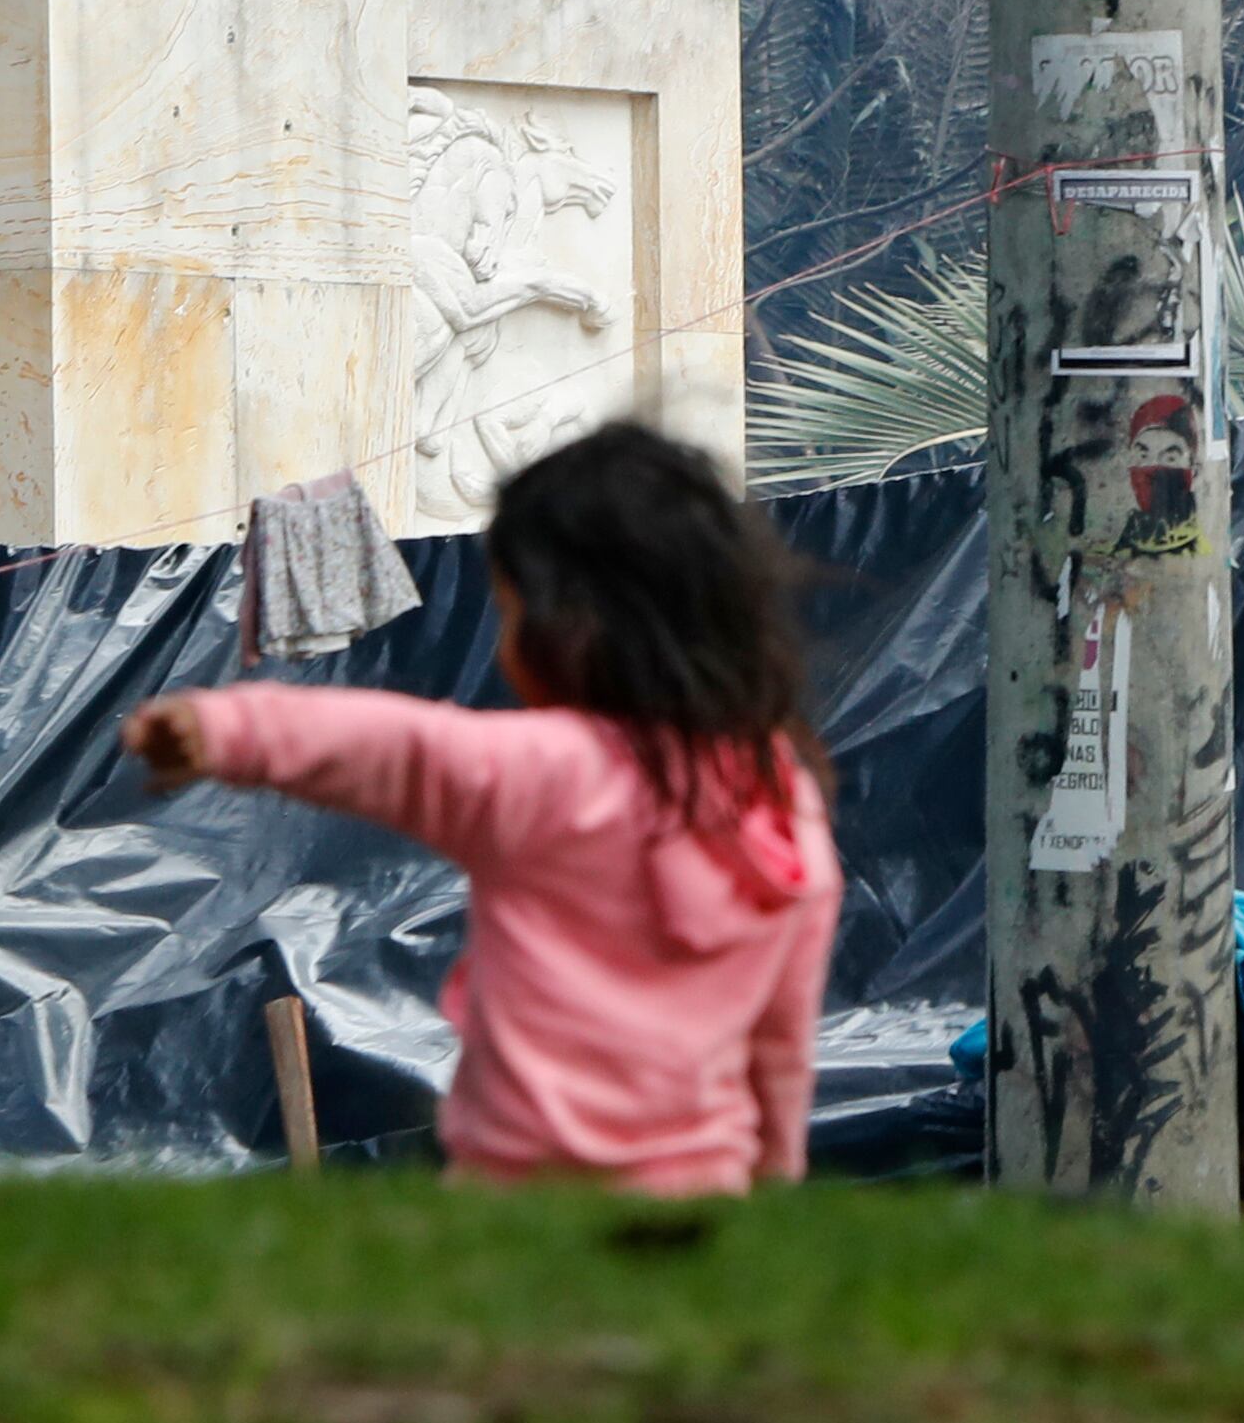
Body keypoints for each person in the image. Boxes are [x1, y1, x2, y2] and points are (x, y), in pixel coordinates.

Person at [121, 424, 836, 1194]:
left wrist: (223, 729)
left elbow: (393, 747)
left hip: (518, 1193)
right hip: (701, 1197)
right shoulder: (778, 797)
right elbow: (781, 1042)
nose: (502, 643)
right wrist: (773, 1179)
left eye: (508, 608)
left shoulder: (551, 771)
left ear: (570, 622)